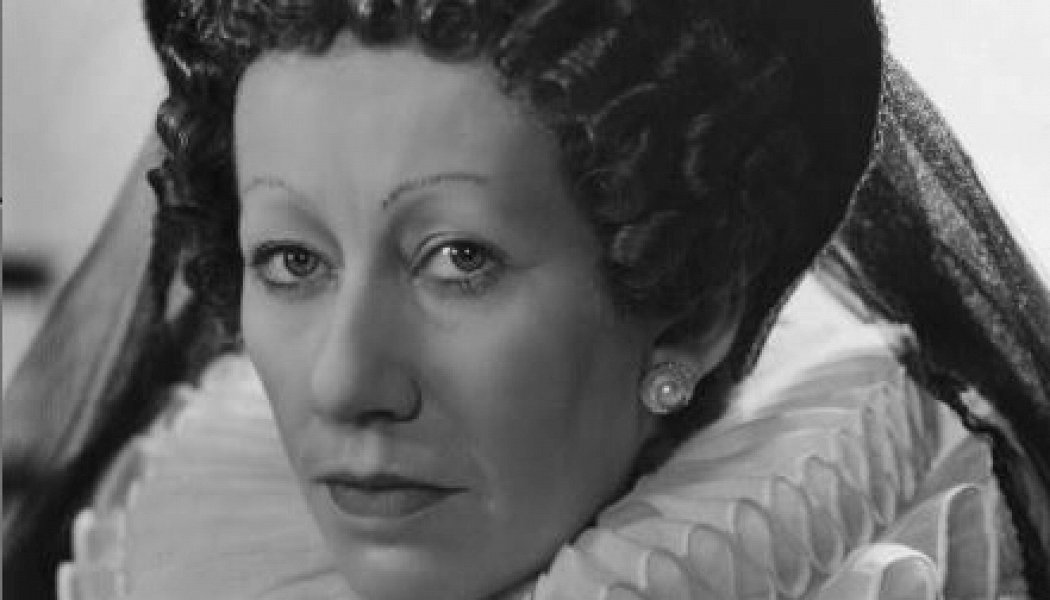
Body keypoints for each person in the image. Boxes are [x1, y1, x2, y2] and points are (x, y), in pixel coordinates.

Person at [4, 0, 1049, 599]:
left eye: (459, 258)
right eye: (291, 260)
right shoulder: (179, 551)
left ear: (692, 314)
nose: (344, 382)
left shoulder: (873, 555)